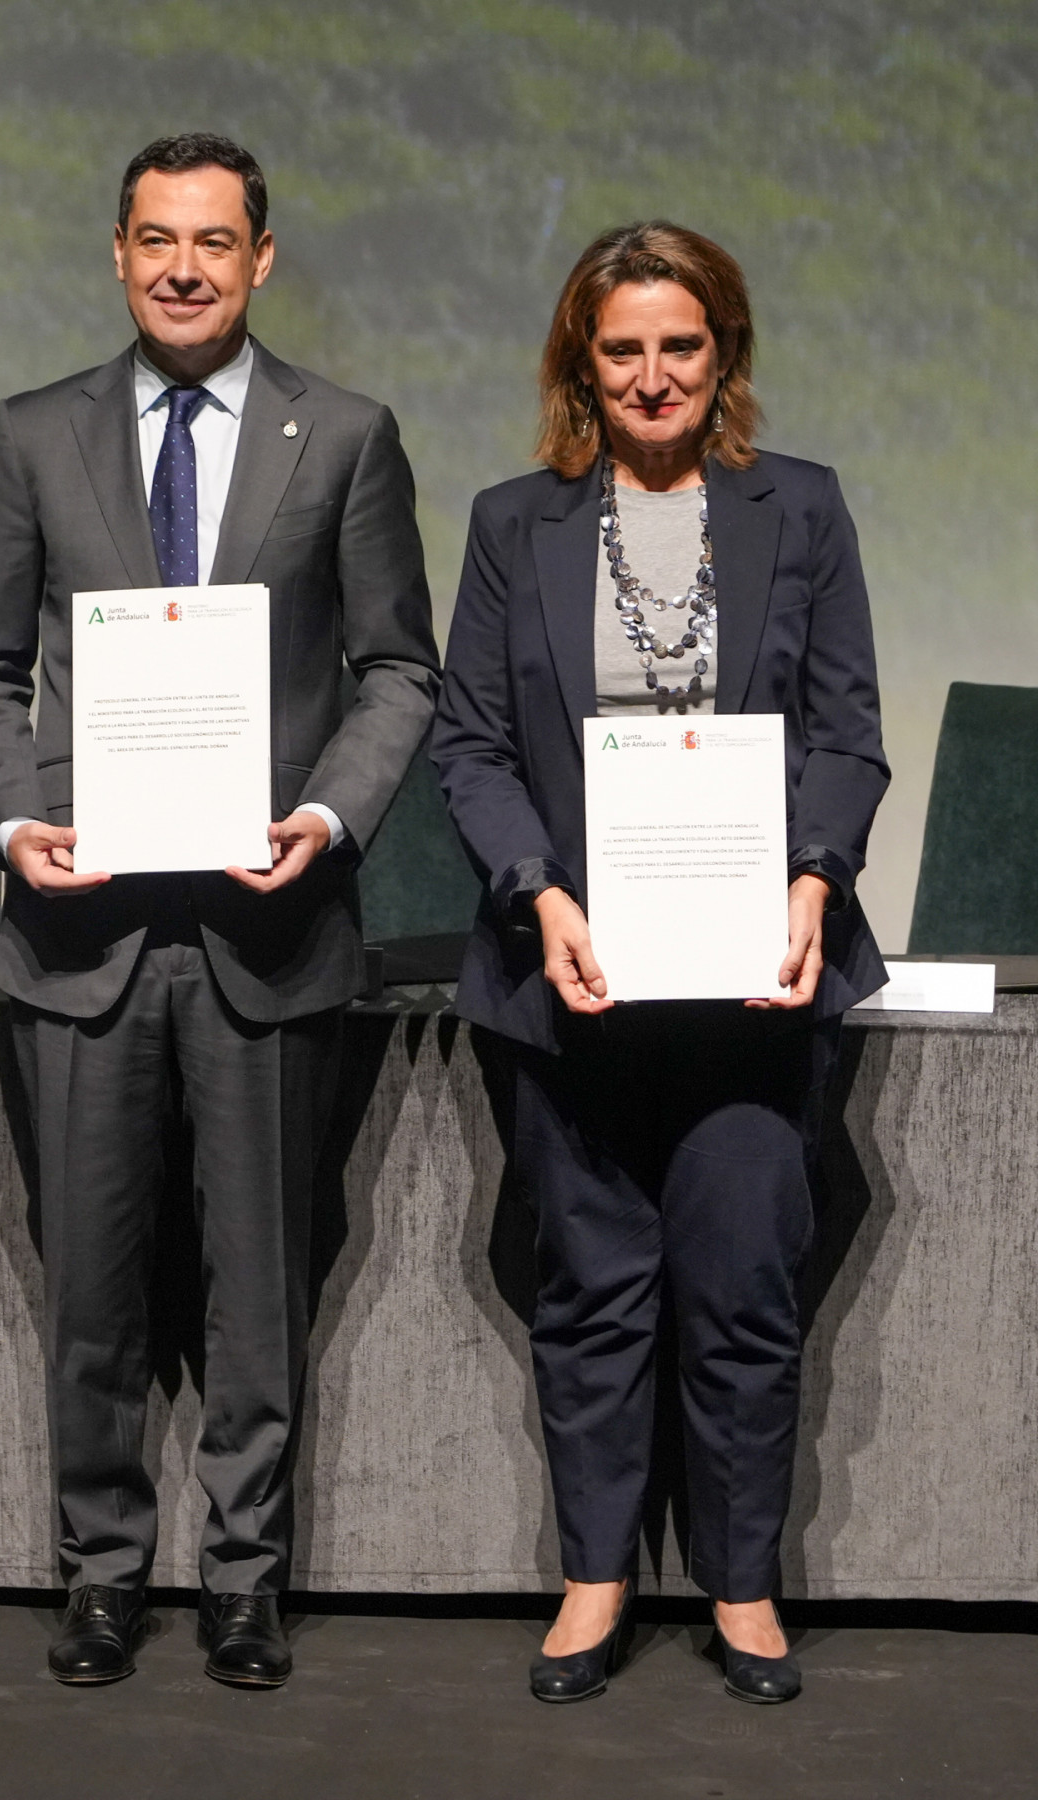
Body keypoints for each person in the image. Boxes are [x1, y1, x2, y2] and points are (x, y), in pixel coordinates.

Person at [0, 132, 438, 1688]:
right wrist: (17, 817)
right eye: (156, 239)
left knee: (256, 1287)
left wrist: (331, 813)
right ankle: (98, 1574)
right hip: (79, 936)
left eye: (214, 242)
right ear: (116, 251)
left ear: (262, 258)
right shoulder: (35, 436)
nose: (183, 267)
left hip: (264, 924)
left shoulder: (344, 435)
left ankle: (242, 1578)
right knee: (89, 1287)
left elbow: (398, 668)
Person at [431, 221, 888, 1705]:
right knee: (593, 1292)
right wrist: (536, 894)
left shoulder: (800, 511)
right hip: (579, 984)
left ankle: (744, 1589)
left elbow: (845, 732)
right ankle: (595, 1580)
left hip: (754, 982)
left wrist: (816, 878)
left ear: (723, 353)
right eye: (620, 348)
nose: (651, 374)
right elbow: (476, 747)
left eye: (678, 344)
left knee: (748, 1289)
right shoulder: (517, 523)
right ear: (582, 361)